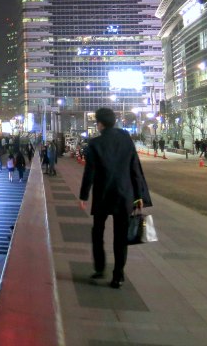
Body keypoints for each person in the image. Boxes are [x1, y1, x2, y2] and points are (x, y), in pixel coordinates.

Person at [79, 107, 151, 289]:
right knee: (120, 237)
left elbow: (90, 172)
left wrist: (83, 195)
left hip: (103, 195)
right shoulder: (125, 138)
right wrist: (139, 194)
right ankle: (118, 276)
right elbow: (134, 166)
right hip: (124, 194)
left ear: (100, 123)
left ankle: (100, 267)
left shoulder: (95, 144)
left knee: (97, 232)